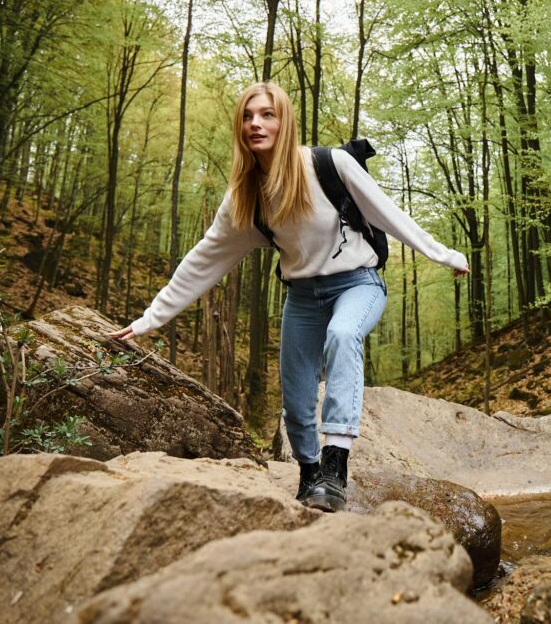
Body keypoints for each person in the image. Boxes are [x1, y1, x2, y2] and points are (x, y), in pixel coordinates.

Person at [110, 82, 468, 512]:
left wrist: (443, 254)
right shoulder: (245, 197)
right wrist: (150, 319)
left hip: (358, 284)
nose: (256, 124)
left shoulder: (328, 164)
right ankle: (309, 475)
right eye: (247, 116)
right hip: (301, 297)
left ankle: (336, 471)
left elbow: (387, 213)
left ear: (285, 121)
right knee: (296, 398)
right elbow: (203, 260)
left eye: (267, 114)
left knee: (342, 336)